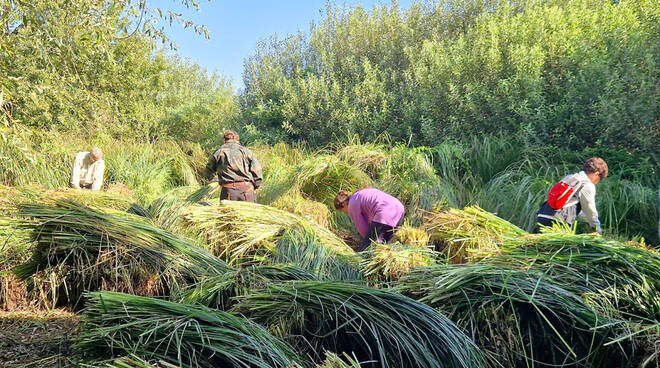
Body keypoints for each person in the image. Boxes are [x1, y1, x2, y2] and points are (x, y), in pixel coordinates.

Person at [536, 157, 608, 233]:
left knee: (544, 244)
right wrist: (597, 228)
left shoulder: (570, 177)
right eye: (600, 179)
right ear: (596, 174)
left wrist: (587, 220)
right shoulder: (587, 185)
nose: (597, 182)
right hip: (560, 220)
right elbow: (589, 210)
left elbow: (570, 204)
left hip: (543, 214)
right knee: (562, 245)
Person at [334, 187, 405, 252]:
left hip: (384, 211)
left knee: (366, 249)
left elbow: (363, 228)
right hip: (399, 209)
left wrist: (365, 243)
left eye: (343, 211)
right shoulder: (359, 194)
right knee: (384, 247)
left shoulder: (352, 205)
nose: (347, 213)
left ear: (343, 205)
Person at [205, 130, 263, 202]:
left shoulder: (218, 152)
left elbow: (208, 171)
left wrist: (217, 180)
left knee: (228, 213)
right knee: (248, 213)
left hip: (228, 191)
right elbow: (257, 172)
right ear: (237, 139)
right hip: (247, 190)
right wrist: (254, 186)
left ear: (224, 140)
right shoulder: (246, 151)